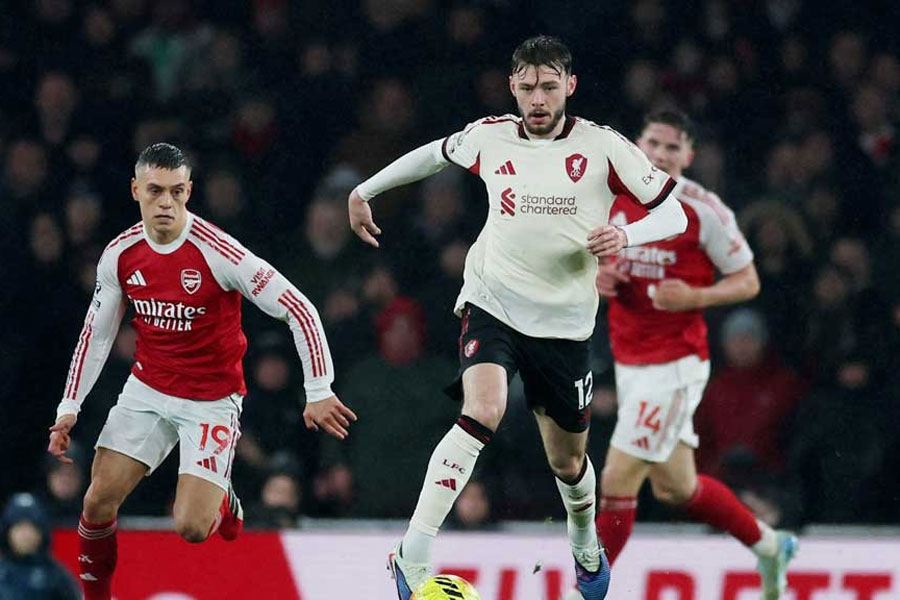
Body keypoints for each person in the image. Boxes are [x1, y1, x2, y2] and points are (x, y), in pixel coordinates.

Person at [348, 36, 688, 600]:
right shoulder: (490, 136)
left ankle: (584, 542)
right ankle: (413, 554)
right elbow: (435, 152)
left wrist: (626, 233)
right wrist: (366, 188)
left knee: (568, 462)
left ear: (569, 86)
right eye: (527, 86)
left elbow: (672, 212)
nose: (537, 98)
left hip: (564, 326)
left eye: (549, 86)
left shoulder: (604, 147)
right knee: (482, 409)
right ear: (513, 86)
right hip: (493, 302)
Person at [46, 143, 356, 600]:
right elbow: (97, 333)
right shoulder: (120, 255)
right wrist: (69, 406)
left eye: (176, 191)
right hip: (147, 389)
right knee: (96, 501)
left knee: (191, 527)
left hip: (211, 401)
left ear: (189, 191)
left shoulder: (219, 253)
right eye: (155, 191)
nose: (166, 202)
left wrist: (319, 388)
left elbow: (299, 308)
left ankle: (223, 498)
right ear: (136, 190)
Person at [577, 110, 797, 600]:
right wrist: (598, 276)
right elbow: (587, 259)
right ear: (637, 143)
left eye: (672, 148)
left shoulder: (704, 209)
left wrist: (696, 297)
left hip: (675, 364)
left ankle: (586, 592)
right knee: (678, 487)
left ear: (689, 156)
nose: (659, 154)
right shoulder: (611, 195)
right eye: (653, 142)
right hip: (630, 361)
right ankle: (769, 545)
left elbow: (749, 280)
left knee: (618, 478)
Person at [0, 492, 82, 600]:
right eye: (19, 527)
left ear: (41, 533)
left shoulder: (57, 576)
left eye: (31, 527)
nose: (25, 535)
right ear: (7, 533)